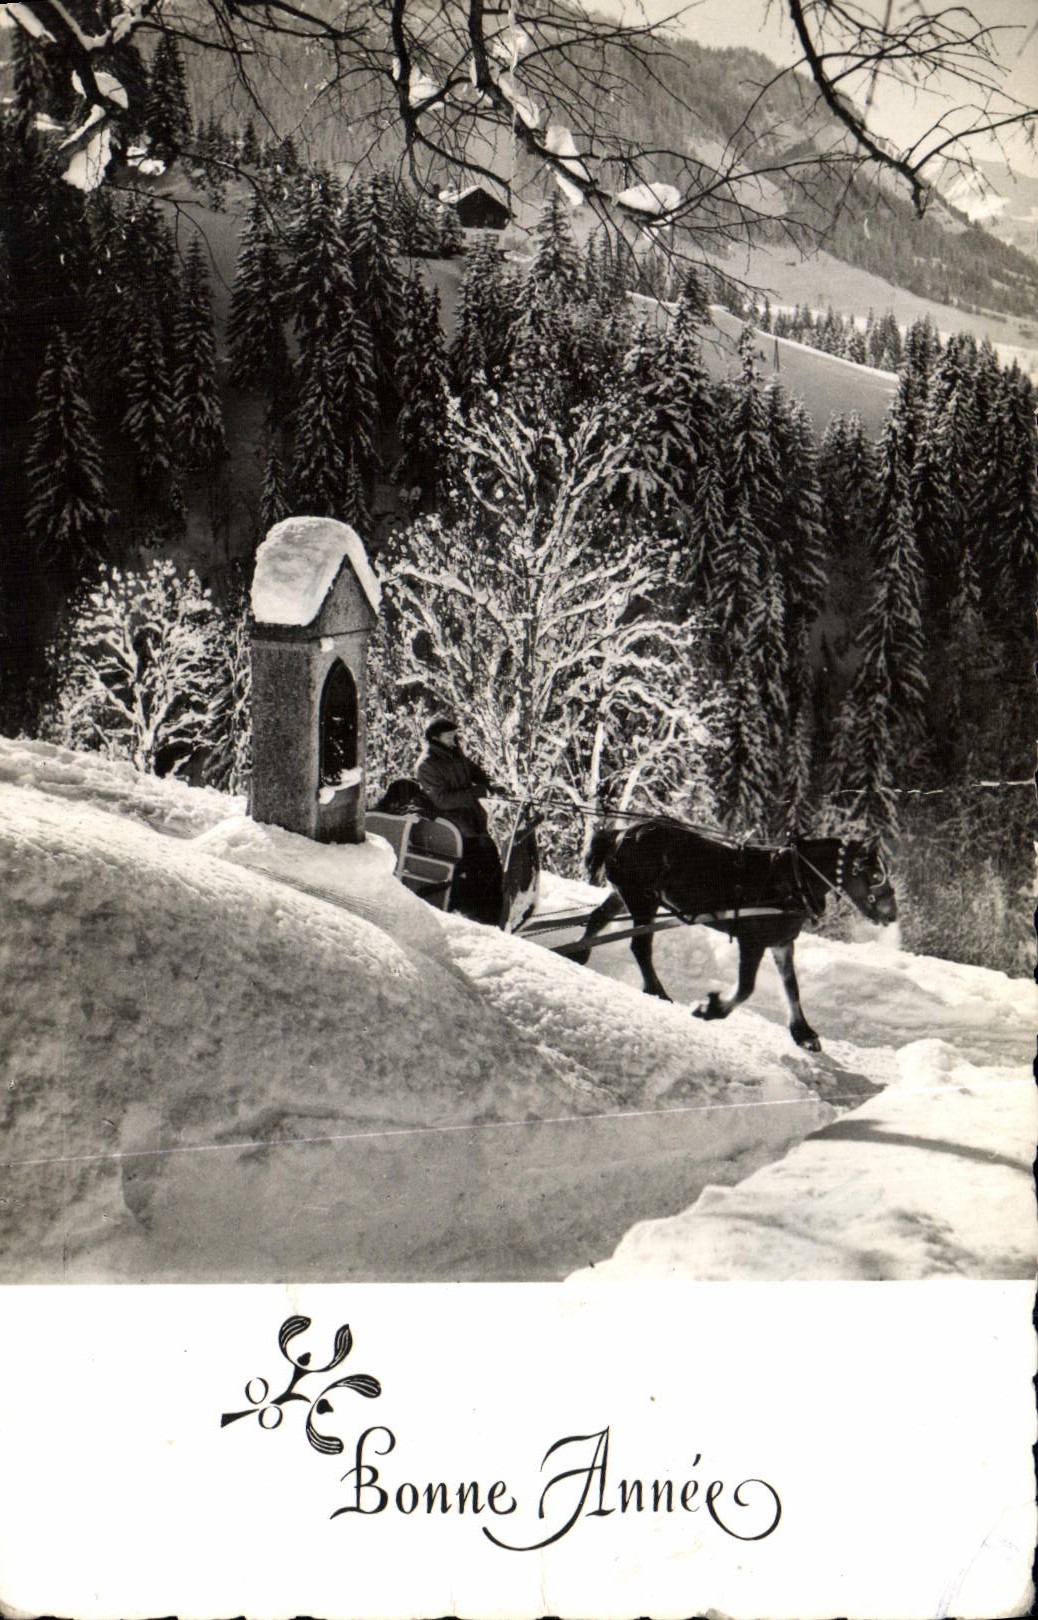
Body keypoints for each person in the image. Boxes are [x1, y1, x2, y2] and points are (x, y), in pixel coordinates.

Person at [415, 716, 504, 925]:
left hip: (469, 816)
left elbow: (472, 769)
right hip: (450, 820)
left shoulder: (453, 754)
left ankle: (495, 905)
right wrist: (475, 792)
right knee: (482, 855)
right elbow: (442, 800)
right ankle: (483, 914)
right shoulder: (427, 764)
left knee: (488, 854)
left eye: (454, 736)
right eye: (449, 737)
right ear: (435, 738)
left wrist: (488, 783)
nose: (453, 740)